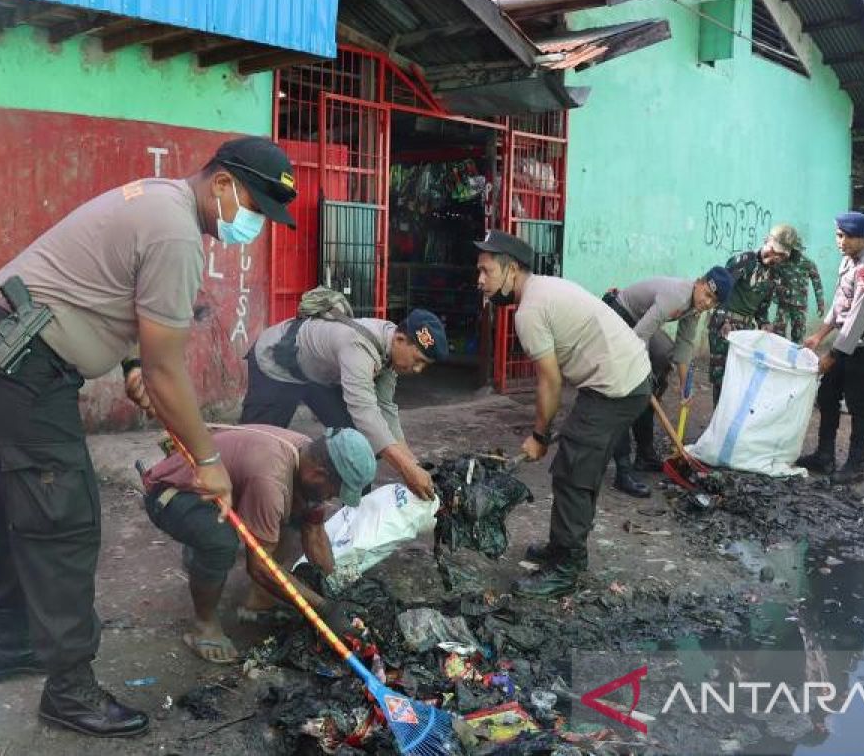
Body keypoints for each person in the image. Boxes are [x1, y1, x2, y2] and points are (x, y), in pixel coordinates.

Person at [0, 137, 297, 738]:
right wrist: (207, 460)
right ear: (222, 185)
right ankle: (70, 690)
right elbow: (169, 368)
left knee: (19, 505)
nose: (255, 222)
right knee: (65, 520)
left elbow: (118, 295)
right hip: (19, 365)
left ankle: (9, 643)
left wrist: (130, 363)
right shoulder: (176, 232)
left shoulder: (160, 200)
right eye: (256, 207)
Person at [474, 230, 651, 598]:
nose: (481, 281)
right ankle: (562, 549)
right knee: (579, 463)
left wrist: (539, 436)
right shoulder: (543, 288)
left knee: (573, 470)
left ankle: (566, 569)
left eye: (487, 272)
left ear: (512, 271)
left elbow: (550, 383)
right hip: (619, 378)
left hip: (617, 386)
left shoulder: (531, 311)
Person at [139, 425, 376, 663]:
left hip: (223, 491)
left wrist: (335, 592)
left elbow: (314, 531)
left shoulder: (309, 455)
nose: (332, 498)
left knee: (299, 509)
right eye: (333, 491)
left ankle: (258, 603)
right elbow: (260, 566)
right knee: (220, 543)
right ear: (319, 474)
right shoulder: (272, 480)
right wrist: (323, 609)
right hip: (173, 492)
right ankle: (204, 626)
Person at [239, 308, 447, 500]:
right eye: (417, 360)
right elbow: (365, 413)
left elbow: (386, 410)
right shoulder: (359, 346)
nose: (418, 370)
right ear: (401, 339)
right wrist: (406, 470)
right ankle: (237, 508)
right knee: (256, 447)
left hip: (317, 376)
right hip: (275, 364)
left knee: (359, 442)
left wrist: (414, 465)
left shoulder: (391, 349)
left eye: (424, 365)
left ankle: (356, 512)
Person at [601, 266, 733, 497]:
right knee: (623, 392)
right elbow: (639, 336)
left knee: (654, 375)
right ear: (699, 282)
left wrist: (685, 387)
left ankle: (645, 455)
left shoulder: (694, 307)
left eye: (713, 302)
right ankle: (623, 472)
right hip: (619, 316)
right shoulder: (677, 296)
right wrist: (639, 375)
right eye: (708, 295)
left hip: (640, 324)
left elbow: (683, 347)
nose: (707, 303)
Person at [797, 212, 864, 485]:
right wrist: (819, 335)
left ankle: (855, 464)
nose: (842, 241)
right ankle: (825, 456)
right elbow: (840, 306)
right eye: (839, 235)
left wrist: (832, 355)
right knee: (827, 394)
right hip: (847, 340)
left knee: (858, 402)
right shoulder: (849, 262)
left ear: (863, 238)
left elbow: (858, 318)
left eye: (848, 237)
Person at [708, 226, 794, 404]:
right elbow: (724, 289)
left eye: (781, 255)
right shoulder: (745, 260)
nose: (775, 257)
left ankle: (732, 425)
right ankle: (719, 423)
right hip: (725, 324)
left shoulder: (774, 274)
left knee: (741, 378)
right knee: (722, 378)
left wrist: (764, 324)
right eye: (773, 250)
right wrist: (724, 319)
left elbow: (762, 307)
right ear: (766, 241)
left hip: (746, 329)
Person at [771, 227, 827, 344]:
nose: (795, 252)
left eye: (796, 250)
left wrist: (820, 303)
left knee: (798, 334)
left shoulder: (808, 264)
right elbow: (773, 276)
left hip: (799, 305)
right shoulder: (781, 261)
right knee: (778, 333)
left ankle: (794, 359)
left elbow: (817, 284)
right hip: (783, 303)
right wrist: (777, 289)